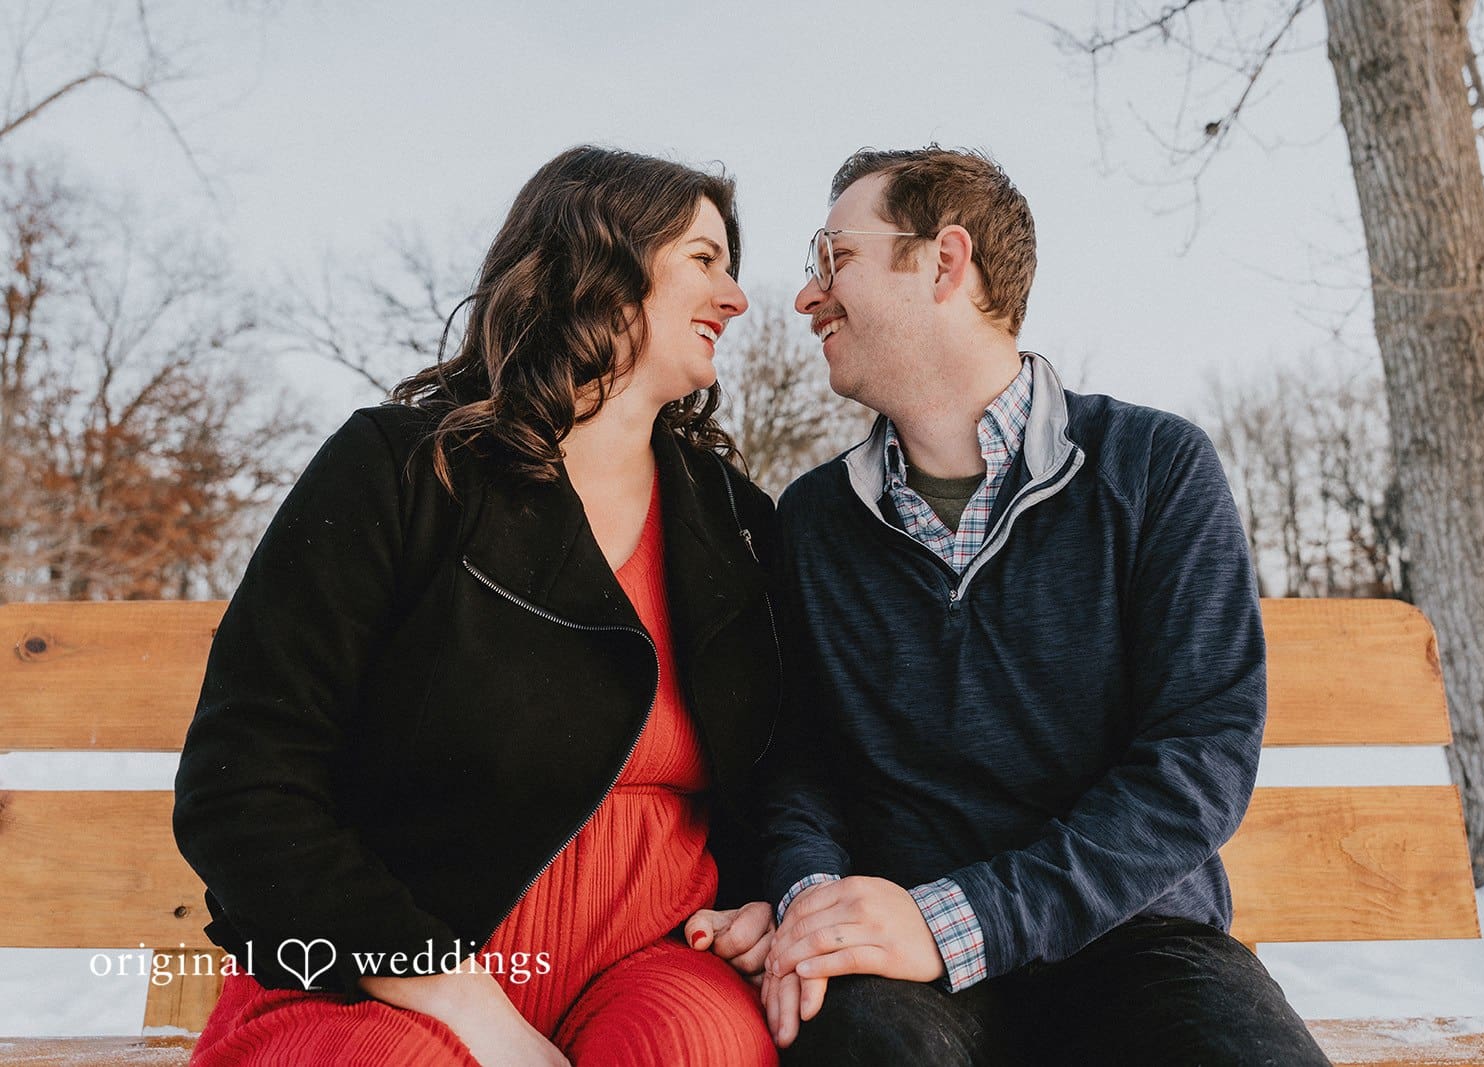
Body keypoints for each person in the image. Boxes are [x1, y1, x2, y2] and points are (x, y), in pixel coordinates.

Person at [173, 146, 782, 1067]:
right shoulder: (403, 470)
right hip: (377, 966)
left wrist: (773, 891)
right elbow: (242, 780)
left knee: (693, 1049)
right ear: (602, 266)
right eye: (704, 260)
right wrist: (451, 991)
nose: (736, 298)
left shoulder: (737, 523)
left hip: (646, 960)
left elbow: (788, 769)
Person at [759, 146, 1332, 1065]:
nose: (807, 296)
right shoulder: (813, 523)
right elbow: (796, 764)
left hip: (1138, 944)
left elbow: (1199, 758)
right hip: (899, 968)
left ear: (945, 261)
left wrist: (964, 920)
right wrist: (813, 899)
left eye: (835, 257)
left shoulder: (1153, 470)